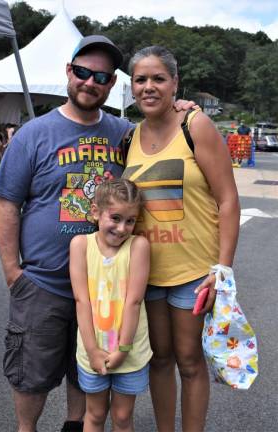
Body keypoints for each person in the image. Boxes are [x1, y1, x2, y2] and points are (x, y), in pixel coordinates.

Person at [0, 34, 195, 432]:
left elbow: (164, 127)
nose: (91, 82)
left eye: (101, 77)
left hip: (108, 284)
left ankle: (74, 425)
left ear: (111, 84)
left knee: (87, 371)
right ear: (69, 72)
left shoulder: (125, 133)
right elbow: (6, 204)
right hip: (43, 282)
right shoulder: (35, 134)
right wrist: (13, 274)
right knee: (32, 372)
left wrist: (181, 107)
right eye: (83, 72)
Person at [123, 46, 240, 432]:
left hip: (194, 272)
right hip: (148, 272)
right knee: (159, 359)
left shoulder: (196, 125)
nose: (149, 87)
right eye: (141, 79)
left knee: (189, 361)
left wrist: (222, 268)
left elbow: (227, 200)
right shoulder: (129, 137)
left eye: (159, 78)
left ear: (175, 83)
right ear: (132, 87)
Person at [70, 178, 152, 432]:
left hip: (131, 351)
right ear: (95, 212)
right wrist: (93, 350)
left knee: (123, 416)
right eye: (115, 218)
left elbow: (134, 301)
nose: (122, 228)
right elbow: (81, 301)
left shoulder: (138, 246)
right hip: (92, 350)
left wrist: (124, 349)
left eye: (130, 221)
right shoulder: (80, 245)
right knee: (94, 415)